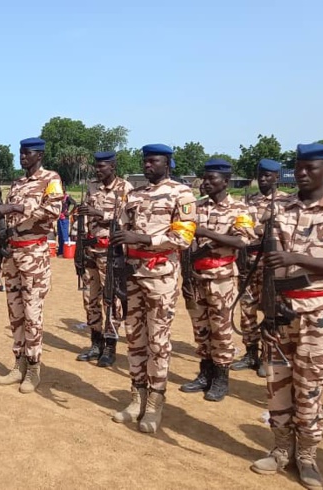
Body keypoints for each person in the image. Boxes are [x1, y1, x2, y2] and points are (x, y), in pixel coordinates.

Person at [250, 143, 323, 490]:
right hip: (278, 310)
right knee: (277, 385)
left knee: (309, 388)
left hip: (316, 314)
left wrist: (293, 258)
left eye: (310, 167)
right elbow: (252, 243)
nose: (301, 173)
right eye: (297, 167)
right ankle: (281, 449)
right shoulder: (277, 207)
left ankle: (308, 456)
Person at [109, 143, 196, 432]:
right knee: (134, 337)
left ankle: (156, 404)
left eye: (153, 161)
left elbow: (184, 237)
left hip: (160, 275)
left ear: (167, 162)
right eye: (145, 161)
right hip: (132, 273)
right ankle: (137, 398)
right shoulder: (133, 194)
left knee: (158, 341)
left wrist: (147, 241)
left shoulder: (181, 194)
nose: (147, 165)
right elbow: (121, 231)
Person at [179, 159, 255, 402]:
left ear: (226, 181)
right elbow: (184, 239)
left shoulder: (240, 210)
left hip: (222, 278)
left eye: (213, 178)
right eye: (205, 178)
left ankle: (221, 379)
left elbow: (243, 242)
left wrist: (207, 234)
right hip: (196, 275)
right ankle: (205, 373)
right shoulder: (196, 207)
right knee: (200, 328)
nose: (207, 182)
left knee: (220, 330)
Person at [0, 137, 63, 394]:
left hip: (34, 253)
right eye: (21, 153)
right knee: (16, 313)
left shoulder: (50, 179)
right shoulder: (18, 183)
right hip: (13, 252)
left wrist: (14, 206)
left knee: (33, 314)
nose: (22, 157)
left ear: (39, 156)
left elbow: (54, 210)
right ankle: (18, 364)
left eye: (27, 153)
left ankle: (34, 368)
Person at [75, 151, 133, 368]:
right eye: (96, 166)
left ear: (113, 167)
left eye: (102, 167)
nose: (98, 170)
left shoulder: (125, 189)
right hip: (90, 250)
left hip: (111, 253)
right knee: (90, 299)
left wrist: (99, 214)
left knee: (111, 300)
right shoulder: (91, 187)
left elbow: (127, 220)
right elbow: (84, 216)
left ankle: (110, 346)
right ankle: (95, 342)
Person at [233, 159, 289, 377]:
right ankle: (250, 353)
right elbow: (243, 228)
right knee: (247, 310)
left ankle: (269, 354)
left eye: (268, 175)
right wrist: (256, 229)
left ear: (277, 177)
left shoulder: (286, 202)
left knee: (270, 310)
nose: (264, 179)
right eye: (261, 175)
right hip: (249, 262)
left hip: (271, 266)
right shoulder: (249, 201)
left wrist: (253, 230)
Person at [56, 185, 76, 257]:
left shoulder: (67, 197)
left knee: (64, 236)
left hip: (65, 218)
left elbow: (75, 203)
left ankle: (66, 251)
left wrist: (70, 212)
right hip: (59, 218)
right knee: (60, 235)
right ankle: (60, 251)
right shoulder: (59, 197)